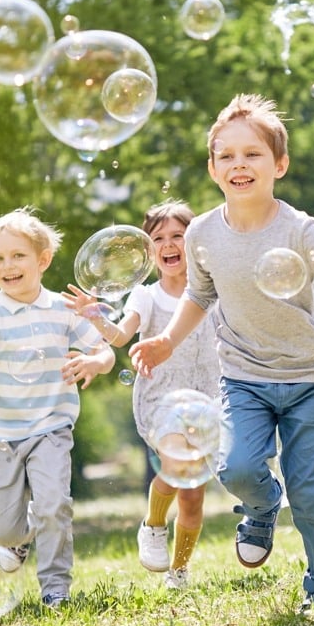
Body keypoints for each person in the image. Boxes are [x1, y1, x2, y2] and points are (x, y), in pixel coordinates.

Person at [129, 94, 314, 613]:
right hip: (243, 377)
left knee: (311, 493)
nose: (240, 164)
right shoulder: (201, 234)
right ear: (213, 168)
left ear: (278, 164)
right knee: (235, 468)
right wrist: (167, 340)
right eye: (227, 155)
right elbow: (199, 294)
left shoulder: (298, 228)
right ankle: (261, 507)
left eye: (253, 154)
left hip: (308, 376)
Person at [0, 207, 116, 610]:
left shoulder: (63, 310)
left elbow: (104, 350)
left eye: (18, 256)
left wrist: (95, 362)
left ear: (42, 260)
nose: (8, 266)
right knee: (5, 529)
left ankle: (55, 587)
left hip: (50, 427)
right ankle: (16, 542)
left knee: (54, 504)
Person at [63, 200, 221, 591]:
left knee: (193, 497)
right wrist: (96, 316)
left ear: (195, 242)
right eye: (159, 238)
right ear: (150, 251)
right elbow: (119, 336)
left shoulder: (215, 289)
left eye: (178, 237)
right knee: (175, 466)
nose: (169, 245)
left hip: (209, 398)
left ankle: (179, 570)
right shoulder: (145, 297)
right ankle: (153, 525)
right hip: (161, 397)